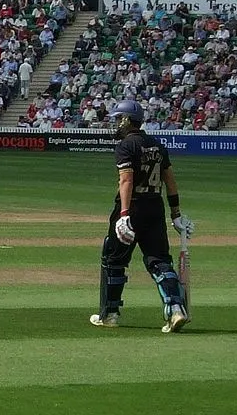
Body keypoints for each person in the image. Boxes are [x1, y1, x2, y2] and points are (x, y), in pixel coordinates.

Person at [91, 100, 193, 333]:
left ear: (127, 120)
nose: (116, 123)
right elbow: (170, 180)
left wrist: (124, 215)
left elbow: (126, 180)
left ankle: (110, 314)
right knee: (159, 260)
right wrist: (176, 213)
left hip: (133, 207)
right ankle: (176, 309)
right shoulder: (156, 144)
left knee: (114, 259)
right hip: (155, 207)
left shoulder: (127, 146)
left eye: (119, 119)